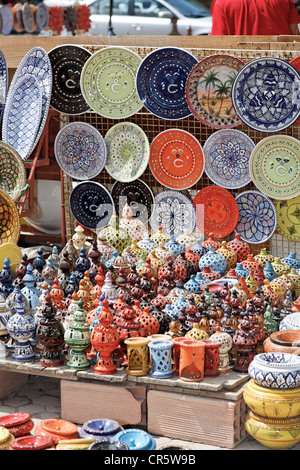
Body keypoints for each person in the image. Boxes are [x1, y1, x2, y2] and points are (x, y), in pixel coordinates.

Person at [210, 0, 300, 35]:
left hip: (239, 70)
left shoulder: (222, 3)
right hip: (280, 68)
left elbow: (218, 43)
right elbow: (295, 36)